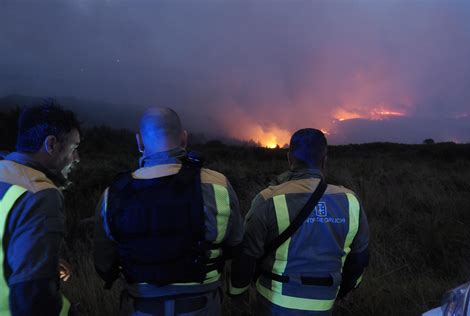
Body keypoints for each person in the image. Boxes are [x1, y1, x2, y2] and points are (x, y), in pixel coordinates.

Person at [94, 107, 243, 316]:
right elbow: (236, 245)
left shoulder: (114, 193)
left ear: (139, 142)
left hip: (140, 305)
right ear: (184, 139)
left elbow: (103, 263)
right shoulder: (218, 185)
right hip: (202, 304)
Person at [230, 128, 369, 315]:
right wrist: (341, 291)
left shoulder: (268, 199)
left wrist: (238, 294)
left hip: (273, 304)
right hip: (324, 304)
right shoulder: (350, 201)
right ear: (324, 160)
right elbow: (359, 258)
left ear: (289, 159)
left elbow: (246, 255)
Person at [0, 102, 80, 315]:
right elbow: (33, 297)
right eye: (74, 148)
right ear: (51, 144)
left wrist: (41, 258)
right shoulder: (40, 194)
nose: (76, 159)